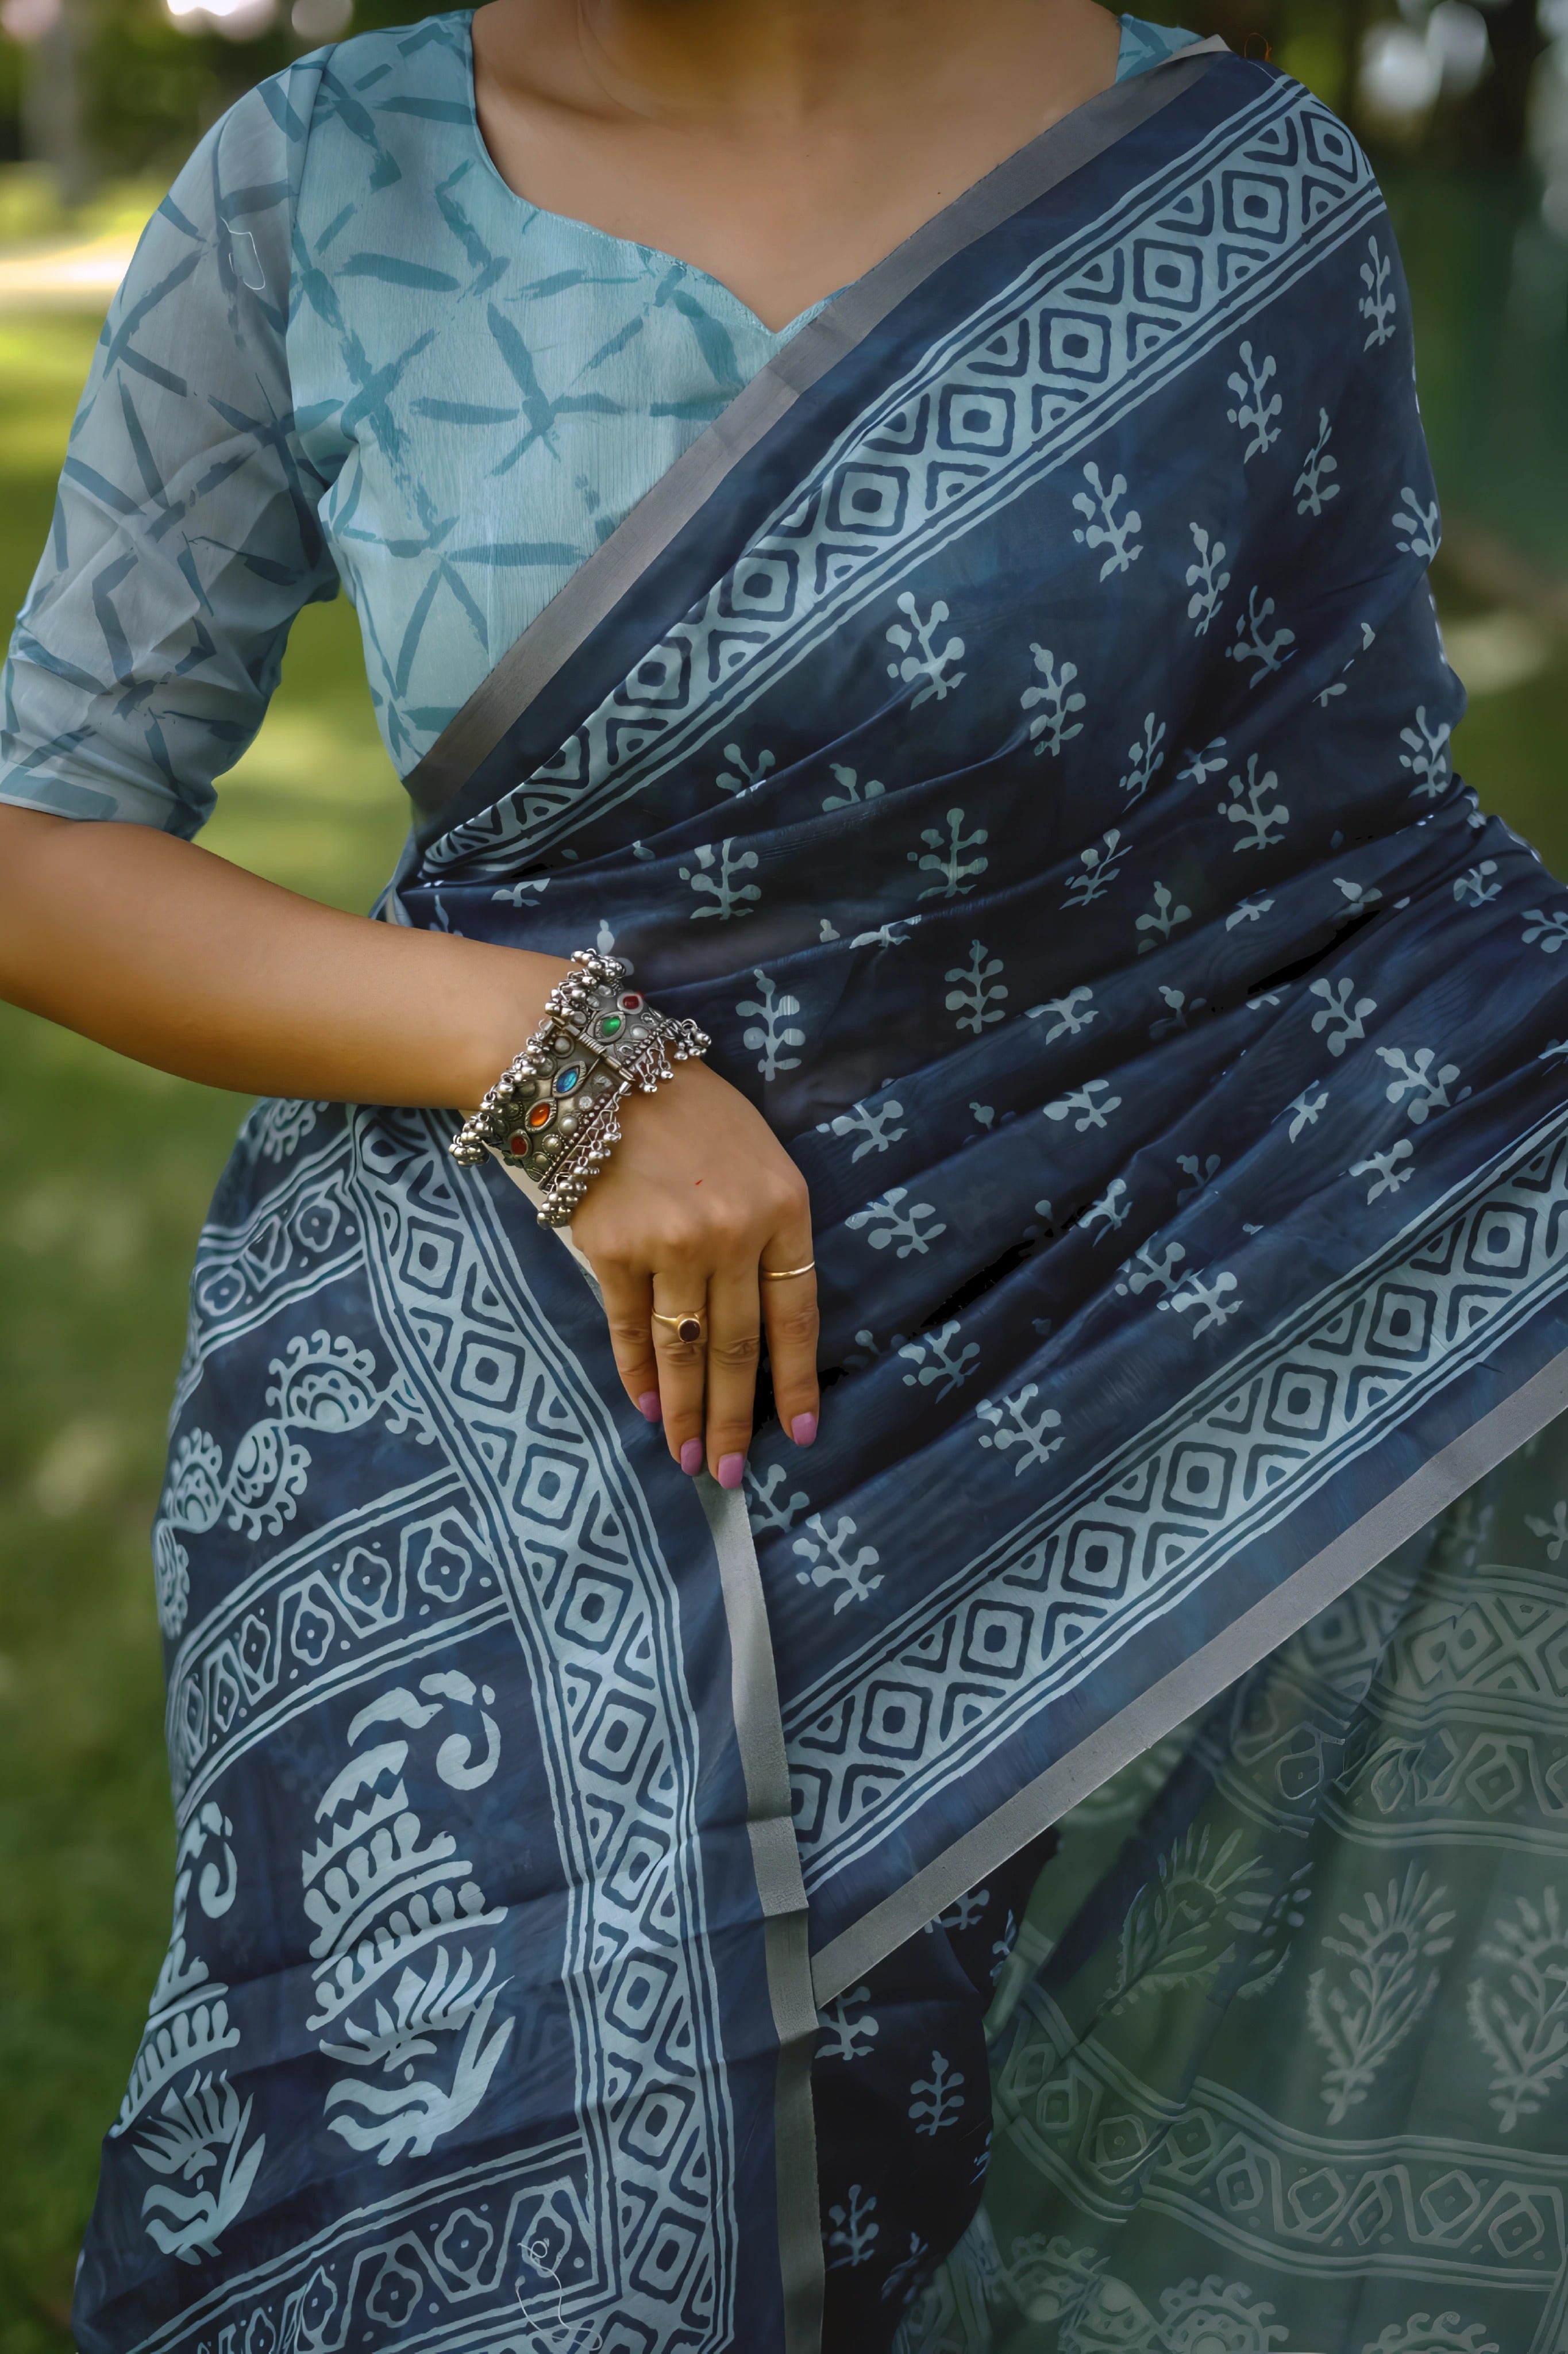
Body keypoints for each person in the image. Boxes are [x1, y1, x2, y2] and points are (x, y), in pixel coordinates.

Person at [3, 2, 1568, 2347]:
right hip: (495, 1395)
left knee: (947, 2207)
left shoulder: (1231, 193)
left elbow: (1347, 862)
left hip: (1076, 1374)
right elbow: (45, 842)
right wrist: (546, 1059)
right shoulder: (320, 181)